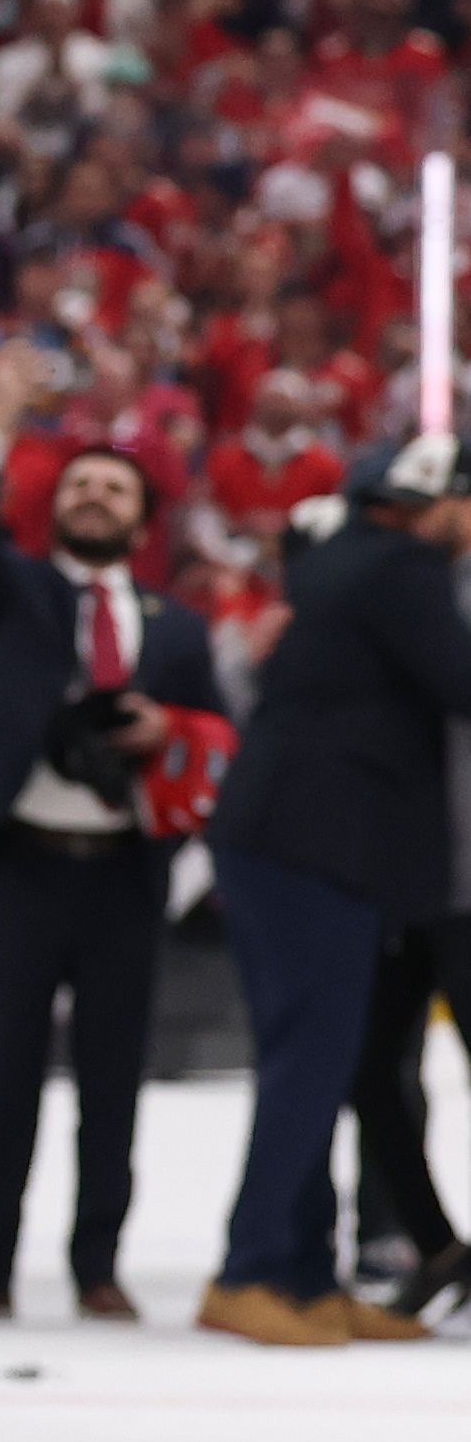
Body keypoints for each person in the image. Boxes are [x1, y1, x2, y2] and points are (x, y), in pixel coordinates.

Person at [0, 355, 230, 1322]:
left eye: (114, 489)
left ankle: (98, 1262)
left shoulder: (176, 628)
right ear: (49, 506)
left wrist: (164, 733)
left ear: (143, 524)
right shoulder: (15, 591)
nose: (94, 498)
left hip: (122, 874)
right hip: (20, 863)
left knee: (112, 1077)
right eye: (80, 485)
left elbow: (218, 735)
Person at [198, 434, 471, 1345]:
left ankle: (306, 1275)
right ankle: (251, 1268)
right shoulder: (400, 567)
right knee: (308, 1059)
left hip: (298, 838)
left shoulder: (343, 563)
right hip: (313, 843)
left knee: (320, 1054)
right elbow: (459, 680)